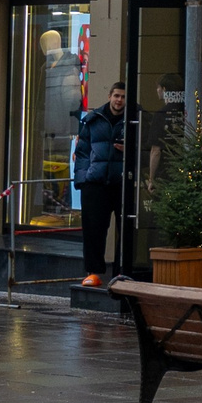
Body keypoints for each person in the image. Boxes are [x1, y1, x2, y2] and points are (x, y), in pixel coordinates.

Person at [73, 82, 126, 284]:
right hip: (95, 183)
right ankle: (93, 273)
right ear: (109, 96)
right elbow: (82, 152)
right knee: (94, 230)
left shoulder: (134, 120)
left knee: (126, 230)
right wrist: (83, 181)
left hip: (121, 183)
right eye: (116, 96)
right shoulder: (93, 120)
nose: (119, 100)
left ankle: (121, 272)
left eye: (122, 97)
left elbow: (143, 149)